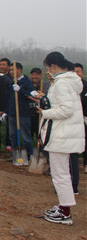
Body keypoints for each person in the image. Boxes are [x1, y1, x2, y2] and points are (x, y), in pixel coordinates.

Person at [38, 52, 85, 225]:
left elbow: (66, 110)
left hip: (61, 134)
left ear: (53, 66)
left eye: (48, 68)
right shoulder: (71, 82)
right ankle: (63, 206)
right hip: (65, 133)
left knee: (60, 174)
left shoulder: (61, 84)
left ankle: (65, 211)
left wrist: (45, 112)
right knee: (62, 173)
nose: (48, 71)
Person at [4, 62, 39, 160]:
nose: (11, 72)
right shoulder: (11, 81)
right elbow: (9, 98)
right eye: (10, 70)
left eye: (13, 70)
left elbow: (30, 96)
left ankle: (29, 156)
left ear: (19, 70)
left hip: (23, 113)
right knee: (13, 136)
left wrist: (21, 90)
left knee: (26, 137)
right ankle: (16, 155)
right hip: (12, 113)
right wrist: (6, 111)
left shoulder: (26, 81)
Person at [74, 63, 87, 174]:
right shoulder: (69, 87)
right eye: (74, 72)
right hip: (72, 120)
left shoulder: (86, 86)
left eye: (78, 71)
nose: (76, 74)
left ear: (82, 73)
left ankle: (86, 163)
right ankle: (74, 164)